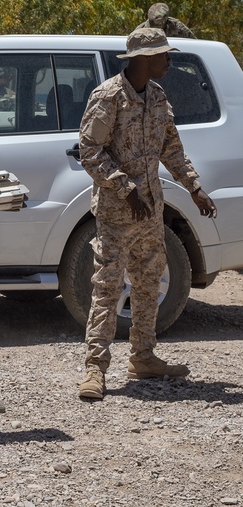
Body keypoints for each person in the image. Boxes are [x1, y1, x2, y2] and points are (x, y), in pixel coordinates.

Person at [77, 27, 216, 400]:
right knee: (107, 288)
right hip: (115, 214)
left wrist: (194, 187)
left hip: (151, 211)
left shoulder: (157, 96)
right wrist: (125, 188)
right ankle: (95, 368)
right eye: (163, 55)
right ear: (143, 59)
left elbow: (172, 147)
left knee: (148, 283)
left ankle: (143, 357)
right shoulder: (107, 96)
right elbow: (90, 151)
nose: (169, 61)